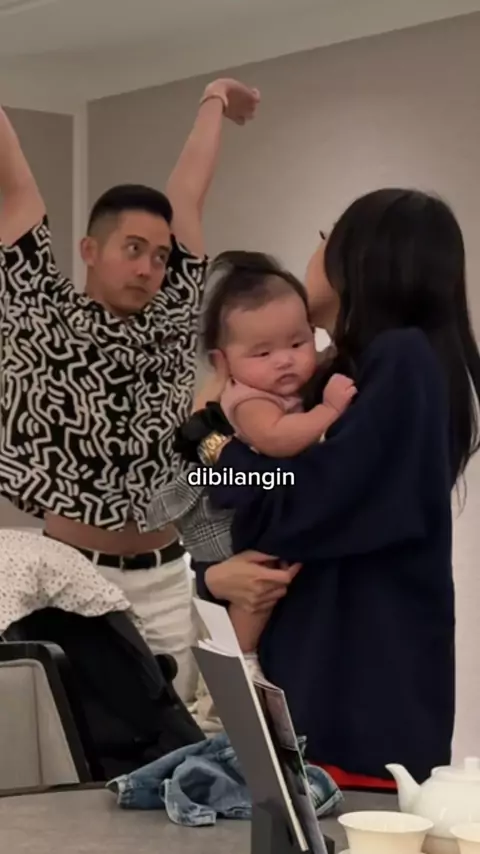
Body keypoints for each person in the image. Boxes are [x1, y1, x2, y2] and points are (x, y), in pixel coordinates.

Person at [175, 188, 480, 784]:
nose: (313, 251)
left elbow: (302, 505)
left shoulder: (402, 362)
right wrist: (213, 572)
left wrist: (216, 445)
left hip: (354, 706)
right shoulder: (352, 372)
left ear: (358, 260)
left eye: (325, 238)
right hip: (331, 693)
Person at [0, 76, 260, 701]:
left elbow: (188, 193)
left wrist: (214, 99)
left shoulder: (173, 314)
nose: (147, 268)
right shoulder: (42, 310)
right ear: (91, 249)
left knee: (174, 731)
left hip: (165, 576)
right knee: (78, 733)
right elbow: (15, 184)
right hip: (72, 574)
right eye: (133, 249)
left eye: (160, 257)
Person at [157, 249, 356, 679]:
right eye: (262, 353)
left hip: (261, 502)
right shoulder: (248, 400)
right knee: (259, 583)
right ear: (224, 363)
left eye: (297, 344)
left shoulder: (283, 381)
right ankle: (240, 656)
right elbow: (277, 439)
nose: (284, 360)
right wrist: (328, 411)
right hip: (239, 516)